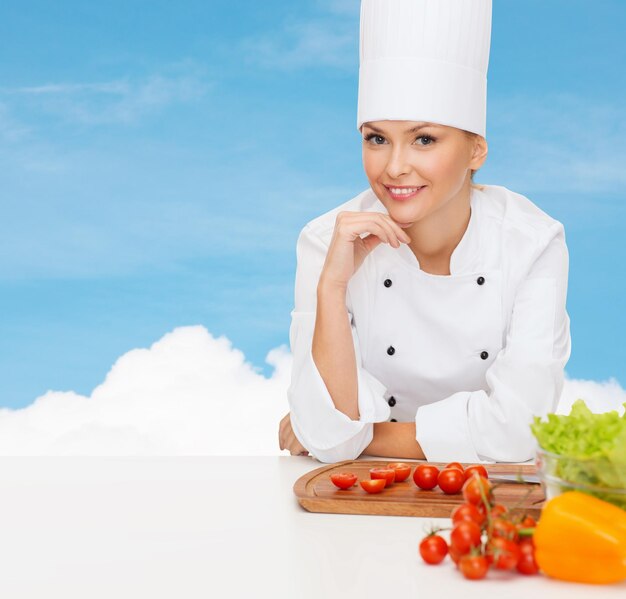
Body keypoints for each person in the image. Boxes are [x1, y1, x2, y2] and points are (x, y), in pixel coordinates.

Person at [279, 0, 571, 463]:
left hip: (484, 505)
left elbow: (519, 434)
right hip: (358, 511)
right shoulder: (327, 240)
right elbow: (328, 436)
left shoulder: (531, 242)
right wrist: (332, 287)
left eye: (424, 139)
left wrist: (362, 438)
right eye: (376, 138)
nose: (394, 167)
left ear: (476, 150)